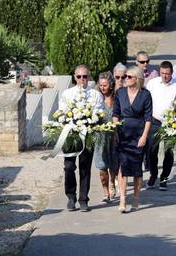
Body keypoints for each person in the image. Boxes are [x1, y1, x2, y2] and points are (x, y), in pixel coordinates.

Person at [59, 65, 104, 212]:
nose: (82, 80)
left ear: (88, 77)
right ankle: (71, 196)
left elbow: (100, 112)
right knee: (69, 167)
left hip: (88, 134)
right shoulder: (67, 94)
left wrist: (91, 119)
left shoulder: (96, 95)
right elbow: (62, 112)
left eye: (85, 76)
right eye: (79, 77)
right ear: (75, 77)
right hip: (71, 135)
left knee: (85, 168)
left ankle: (83, 199)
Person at [113, 66, 152, 213]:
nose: (125, 79)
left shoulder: (145, 95)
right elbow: (116, 113)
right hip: (123, 133)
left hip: (138, 133)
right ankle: (123, 199)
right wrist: (115, 130)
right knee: (123, 167)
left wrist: (144, 136)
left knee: (136, 169)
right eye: (124, 77)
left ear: (137, 79)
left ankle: (136, 198)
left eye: (129, 77)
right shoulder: (120, 93)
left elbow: (148, 118)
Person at [145, 61, 176, 191]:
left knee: (169, 152)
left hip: (170, 123)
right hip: (154, 120)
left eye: (167, 74)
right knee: (151, 150)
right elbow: (147, 100)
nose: (165, 76)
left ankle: (164, 178)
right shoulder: (152, 83)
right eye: (162, 73)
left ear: (172, 73)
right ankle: (153, 174)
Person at [93, 72, 118, 202]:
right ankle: (105, 191)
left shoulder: (116, 98)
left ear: (111, 85)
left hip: (113, 136)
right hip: (100, 138)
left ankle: (112, 183)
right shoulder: (96, 99)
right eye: (101, 85)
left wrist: (117, 133)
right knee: (102, 166)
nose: (103, 87)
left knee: (113, 165)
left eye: (105, 85)